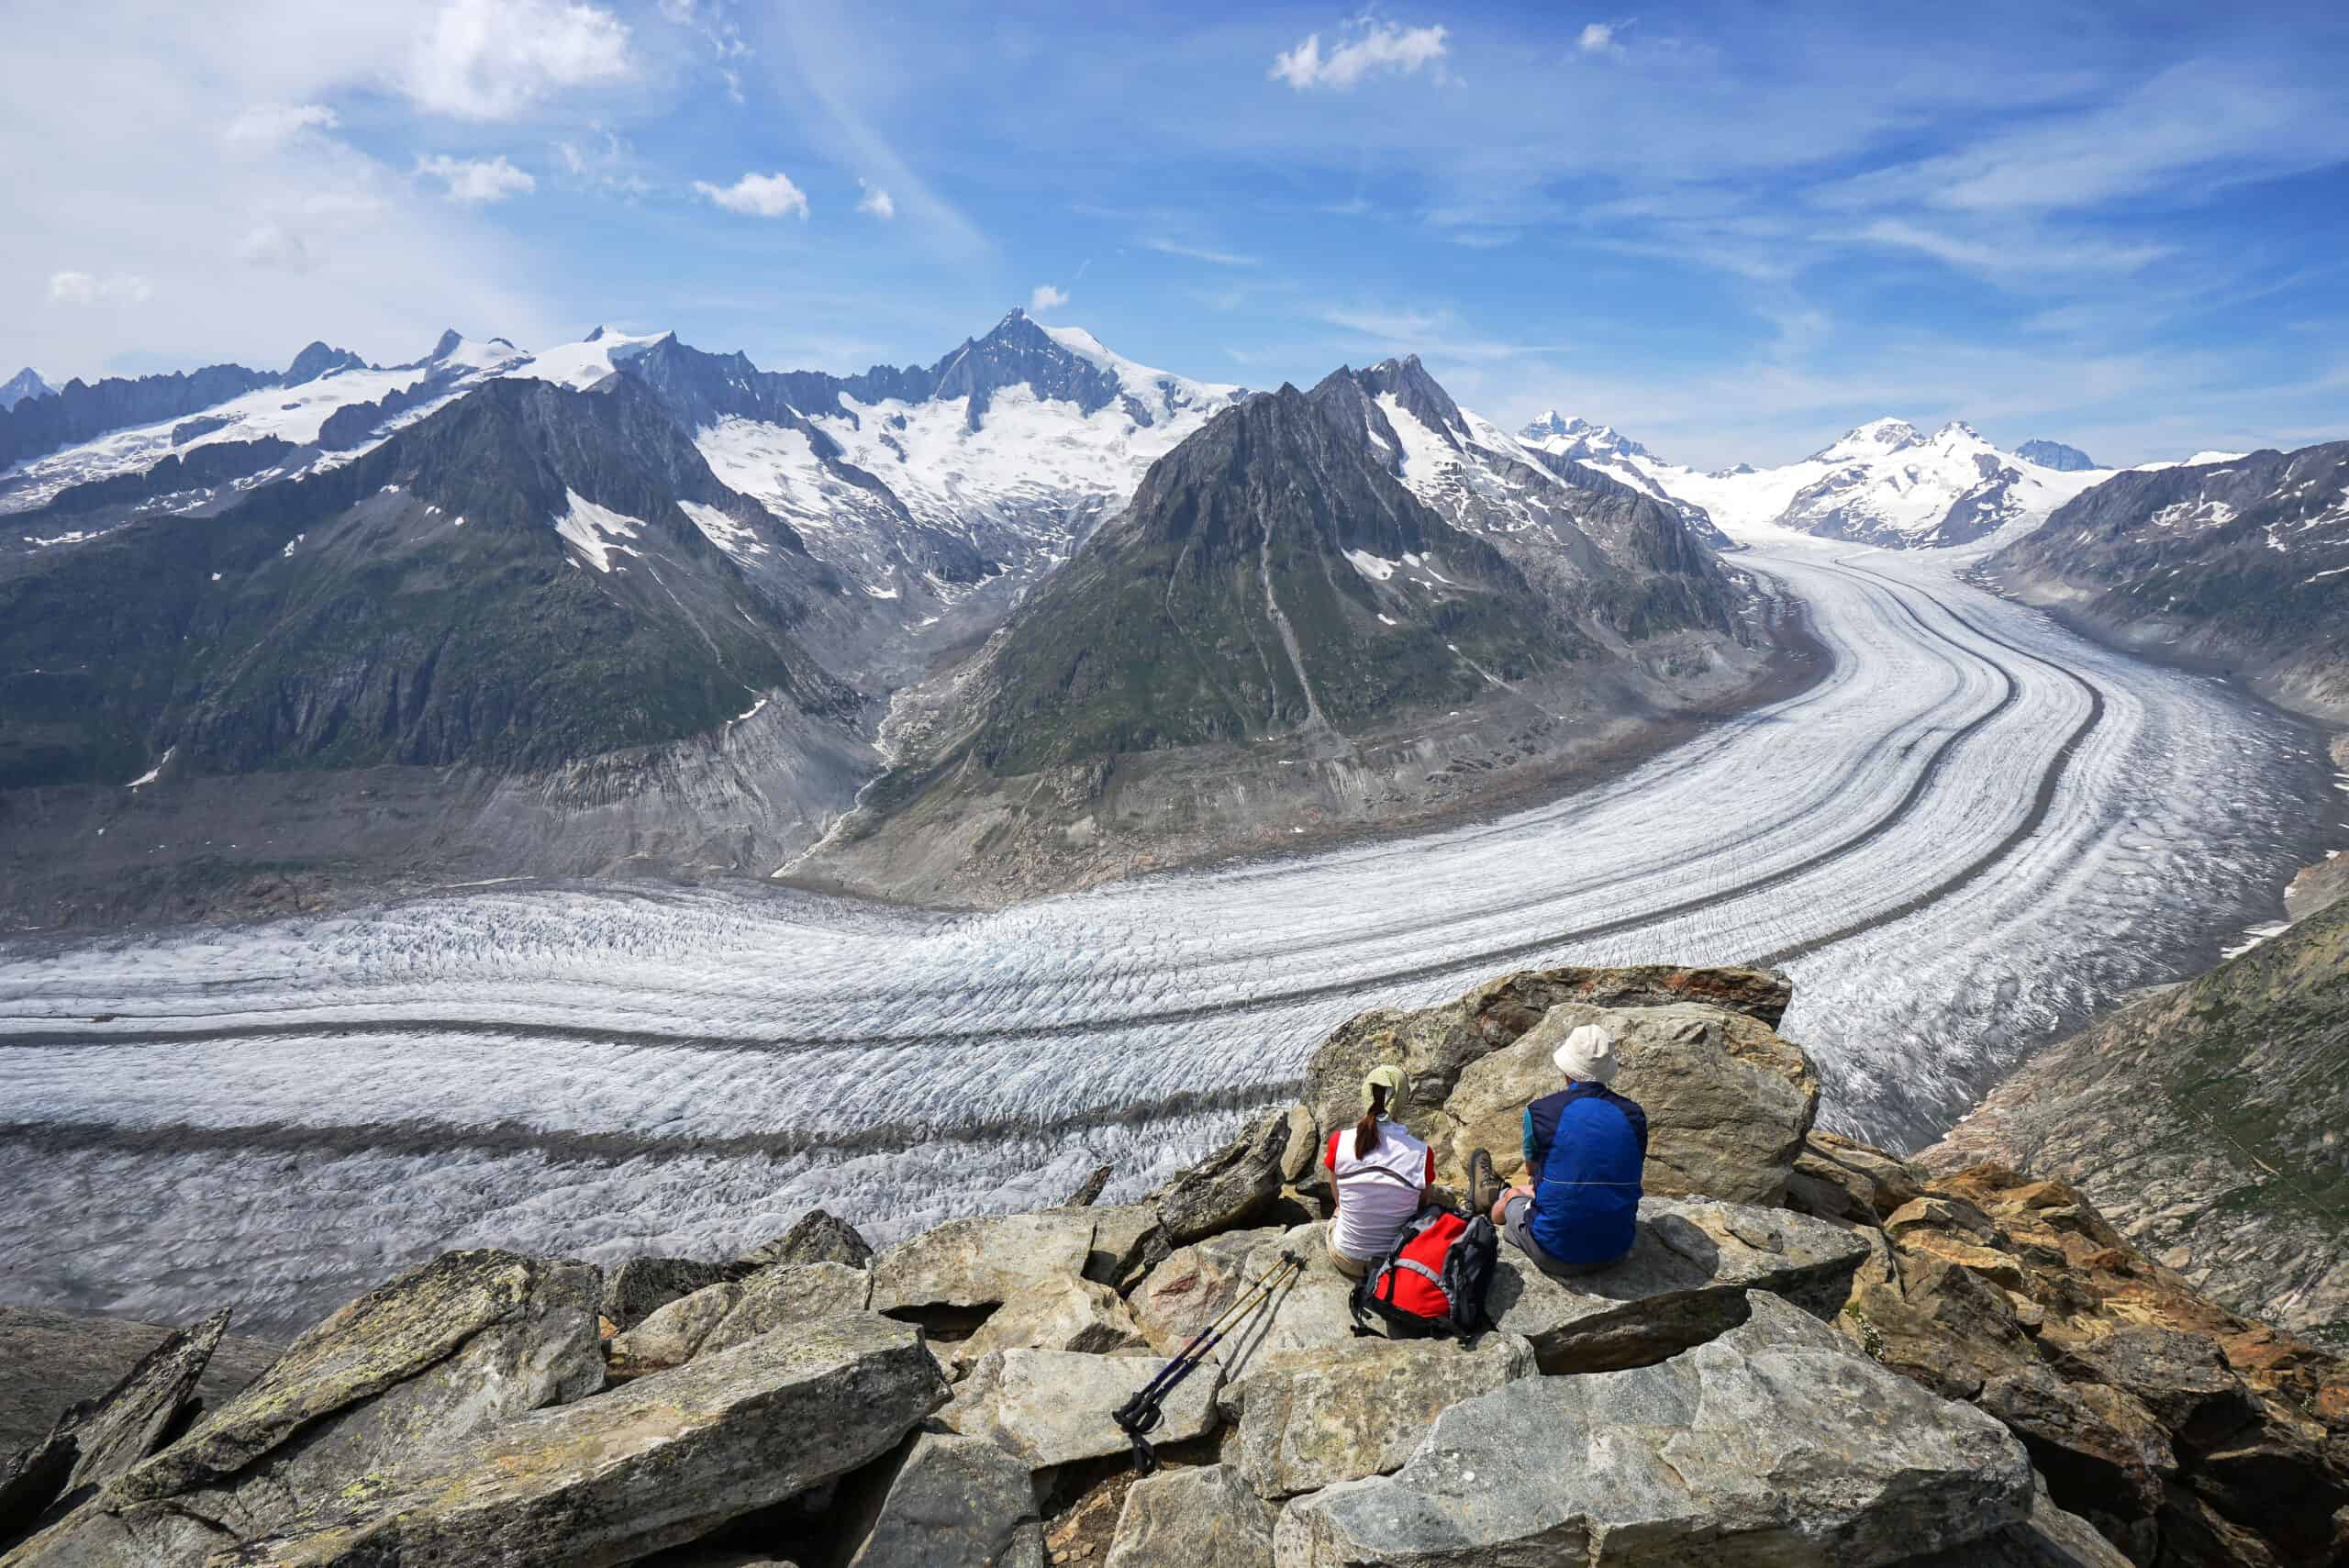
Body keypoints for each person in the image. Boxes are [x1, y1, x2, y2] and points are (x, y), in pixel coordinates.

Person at [1469, 1022, 1646, 1275]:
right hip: (1617, 1249)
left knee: (1514, 1196)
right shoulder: (1634, 1115)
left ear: (1567, 1068)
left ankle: (1489, 1206)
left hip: (1554, 1251)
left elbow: (1533, 1169)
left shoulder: (1540, 1111)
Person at [1323, 1064, 1436, 1278]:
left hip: (1346, 1258)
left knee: (1339, 1211)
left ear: (1366, 1095)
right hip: (1394, 1261)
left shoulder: (1339, 1141)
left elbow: (1339, 1201)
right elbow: (1422, 1206)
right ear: (1402, 1100)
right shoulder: (1422, 1153)